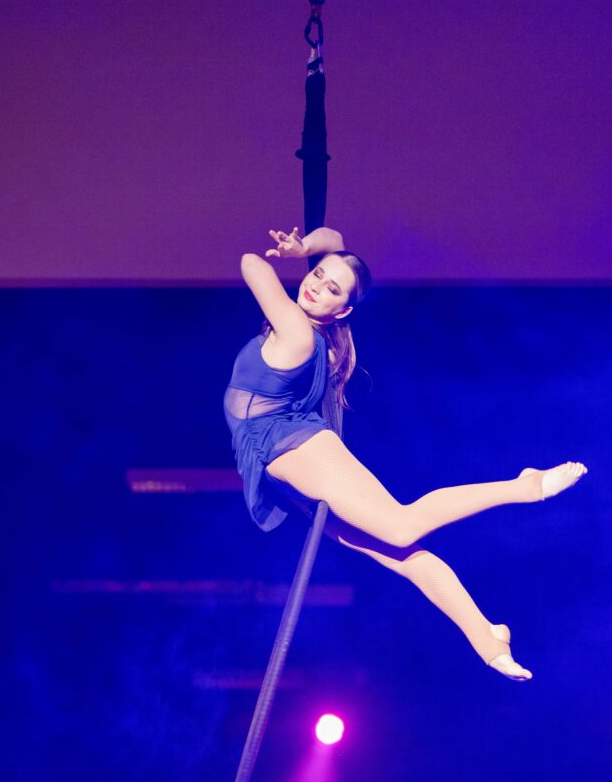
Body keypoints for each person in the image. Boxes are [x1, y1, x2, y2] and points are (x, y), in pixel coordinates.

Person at [223, 226, 588, 680]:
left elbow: (251, 263)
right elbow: (336, 239)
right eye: (317, 275)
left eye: (332, 289)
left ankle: (523, 486)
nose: (315, 286)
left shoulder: (296, 328)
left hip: (287, 442)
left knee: (400, 527)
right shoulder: (317, 332)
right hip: (275, 453)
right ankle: (486, 636)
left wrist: (295, 254)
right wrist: (309, 249)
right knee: (400, 554)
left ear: (344, 310)